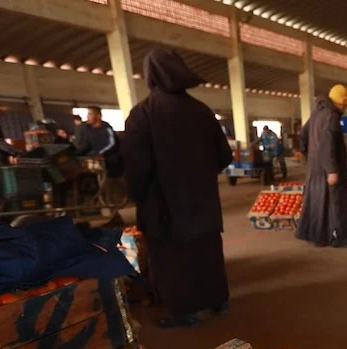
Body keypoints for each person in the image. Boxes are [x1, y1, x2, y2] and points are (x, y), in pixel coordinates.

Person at [123, 48, 233, 328]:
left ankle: (184, 311)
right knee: (207, 251)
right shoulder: (202, 111)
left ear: (151, 76)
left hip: (164, 205)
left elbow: (137, 166)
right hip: (204, 202)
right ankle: (218, 300)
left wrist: (138, 195)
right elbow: (225, 156)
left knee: (173, 258)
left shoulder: (144, 113)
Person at [296, 84, 347, 248]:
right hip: (329, 167)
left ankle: (318, 237)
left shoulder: (317, 113)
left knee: (317, 202)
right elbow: (327, 144)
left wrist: (309, 156)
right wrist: (332, 170)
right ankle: (340, 238)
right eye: (345, 104)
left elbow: (302, 134)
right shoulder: (331, 116)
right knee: (336, 202)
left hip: (315, 167)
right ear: (340, 102)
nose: (345, 108)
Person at [76, 106, 123, 177]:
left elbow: (111, 144)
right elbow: (87, 145)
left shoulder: (106, 128)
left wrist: (100, 154)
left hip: (110, 162)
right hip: (96, 161)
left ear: (98, 116)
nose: (87, 116)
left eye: (90, 114)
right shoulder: (88, 130)